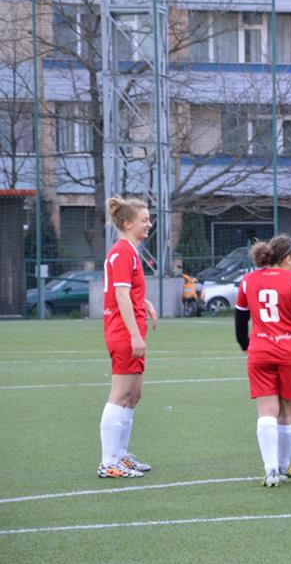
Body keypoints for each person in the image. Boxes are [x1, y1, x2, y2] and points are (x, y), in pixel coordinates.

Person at [235, 235, 291, 486]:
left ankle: (270, 469)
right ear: (287, 259)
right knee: (287, 413)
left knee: (266, 411)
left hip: (260, 352)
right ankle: (283, 467)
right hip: (290, 353)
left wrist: (245, 344)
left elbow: (240, 319)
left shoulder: (248, 280)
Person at [98, 196, 158, 478]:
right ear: (127, 223)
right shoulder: (122, 251)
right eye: (144, 219)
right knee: (121, 394)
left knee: (134, 395)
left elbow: (127, 291)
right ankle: (108, 462)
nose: (149, 224)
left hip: (130, 328)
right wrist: (135, 334)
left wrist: (143, 303)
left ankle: (121, 456)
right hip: (123, 331)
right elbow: (120, 294)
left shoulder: (130, 251)